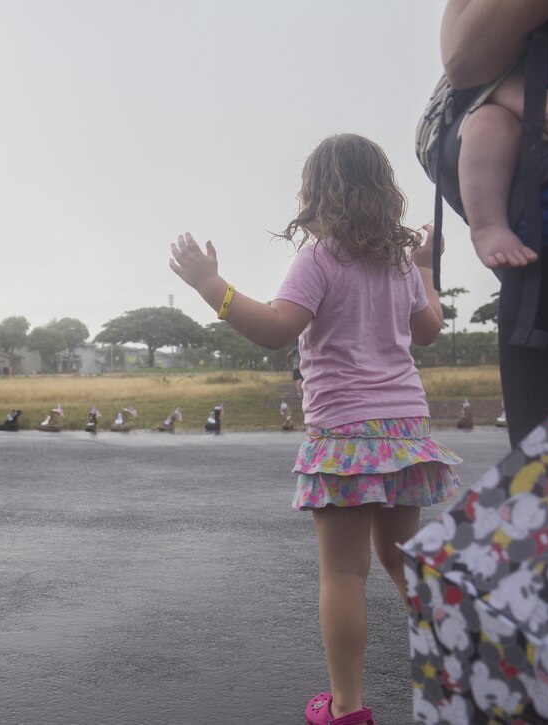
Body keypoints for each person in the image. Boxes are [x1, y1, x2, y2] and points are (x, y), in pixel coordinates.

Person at [169, 134, 462, 725]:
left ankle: (348, 707)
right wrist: (427, 267)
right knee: (404, 560)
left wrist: (211, 287)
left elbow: (279, 329)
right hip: (406, 428)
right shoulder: (401, 263)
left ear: (317, 193)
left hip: (346, 435)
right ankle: (461, 664)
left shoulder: (321, 258)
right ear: (384, 191)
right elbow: (428, 328)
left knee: (344, 572)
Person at [441, 0, 548, 446]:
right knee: (488, 122)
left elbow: (462, 56)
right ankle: (487, 223)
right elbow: (462, 66)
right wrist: (515, 94)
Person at [459, 71, 548, 268]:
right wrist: (530, 101)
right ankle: (488, 227)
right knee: (491, 120)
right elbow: (473, 67)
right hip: (471, 99)